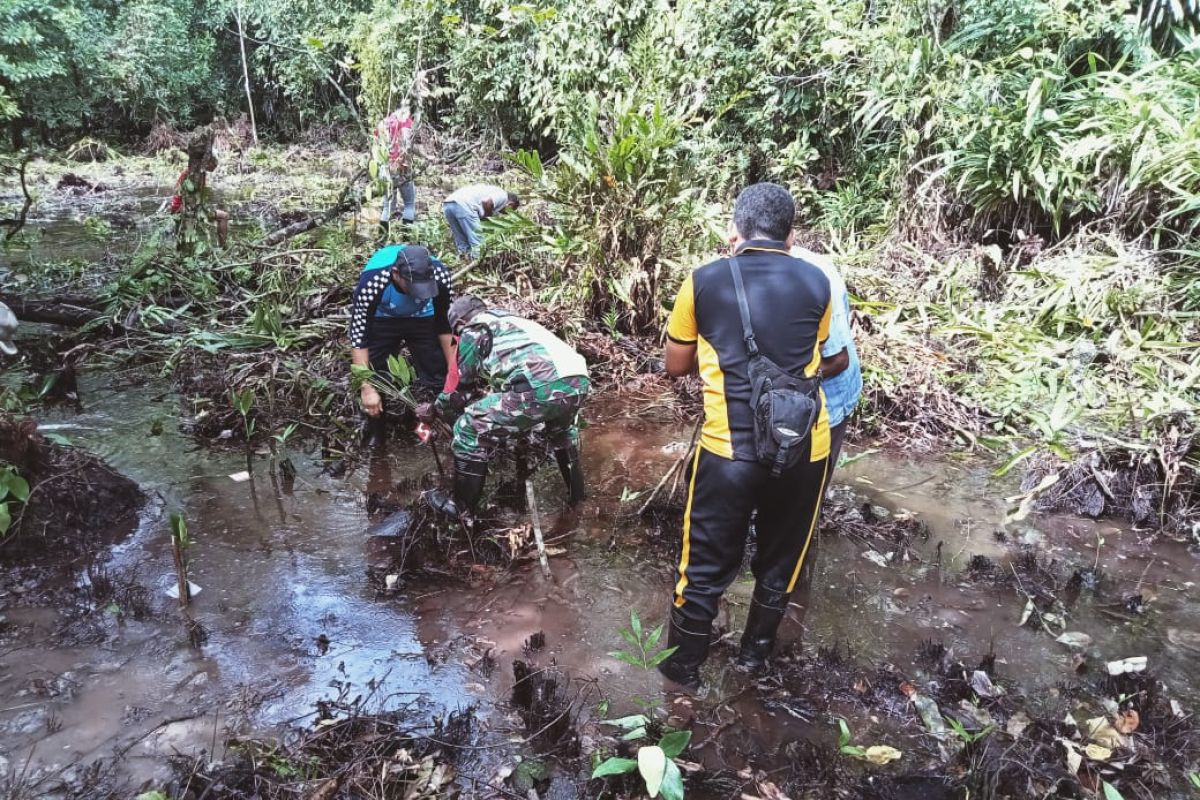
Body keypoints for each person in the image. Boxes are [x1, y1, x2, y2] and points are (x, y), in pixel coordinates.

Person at [657, 183, 835, 689]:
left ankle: (682, 674)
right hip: (803, 449)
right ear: (791, 235)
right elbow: (814, 355)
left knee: (704, 570)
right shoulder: (817, 281)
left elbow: (676, 364)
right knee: (780, 564)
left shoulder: (704, 280)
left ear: (734, 230)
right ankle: (753, 664)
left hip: (729, 452)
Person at [420, 295, 588, 520]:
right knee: (561, 433)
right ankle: (578, 500)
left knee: (469, 427)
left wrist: (435, 408)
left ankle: (460, 508)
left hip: (539, 386)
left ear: (459, 324)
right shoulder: (511, 321)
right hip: (578, 381)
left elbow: (461, 392)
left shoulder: (473, 329)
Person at [350, 244, 454, 448]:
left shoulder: (440, 276)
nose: (420, 293)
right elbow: (359, 335)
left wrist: (453, 372)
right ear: (396, 274)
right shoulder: (373, 282)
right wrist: (366, 388)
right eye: (415, 287)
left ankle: (433, 428)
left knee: (437, 370)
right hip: (383, 319)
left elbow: (445, 324)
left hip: (424, 318)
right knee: (378, 374)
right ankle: (376, 432)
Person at [790, 245, 862, 472]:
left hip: (830, 397)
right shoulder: (746, 269)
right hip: (789, 393)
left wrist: (780, 378)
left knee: (810, 486)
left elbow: (838, 360)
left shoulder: (816, 278)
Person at [442, 185, 521, 258]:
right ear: (510, 204)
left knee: (461, 239)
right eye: (511, 210)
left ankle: (463, 260)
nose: (506, 213)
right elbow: (486, 202)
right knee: (477, 240)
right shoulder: (503, 196)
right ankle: (476, 262)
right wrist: (488, 218)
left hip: (449, 204)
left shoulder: (491, 190)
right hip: (464, 205)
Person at [374, 105, 417, 237]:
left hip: (384, 168)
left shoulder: (383, 123)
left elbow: (376, 148)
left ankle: (381, 239)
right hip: (401, 167)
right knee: (409, 204)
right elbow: (407, 145)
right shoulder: (406, 122)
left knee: (387, 206)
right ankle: (406, 237)